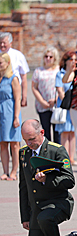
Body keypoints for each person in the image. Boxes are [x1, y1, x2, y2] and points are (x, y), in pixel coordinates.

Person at [19, 119, 77, 236]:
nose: (29, 144)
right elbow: (23, 187)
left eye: (32, 139)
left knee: (46, 218)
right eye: (25, 140)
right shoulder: (24, 153)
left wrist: (47, 179)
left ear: (42, 133)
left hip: (58, 203)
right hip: (37, 208)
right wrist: (25, 216)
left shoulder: (56, 150)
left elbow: (69, 180)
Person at [32, 47, 60, 143]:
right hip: (43, 105)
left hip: (56, 104)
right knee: (45, 131)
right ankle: (47, 153)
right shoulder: (38, 71)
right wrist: (42, 102)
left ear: (55, 58)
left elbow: (63, 86)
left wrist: (56, 99)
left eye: (50, 57)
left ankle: (58, 154)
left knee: (57, 132)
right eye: (46, 56)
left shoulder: (58, 70)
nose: (48, 58)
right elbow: (34, 87)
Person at [0, 52, 21, 181]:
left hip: (10, 112)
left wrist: (16, 116)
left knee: (14, 143)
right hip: (0, 113)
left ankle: (14, 170)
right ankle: (5, 171)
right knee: (2, 143)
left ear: (7, 63)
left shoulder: (13, 78)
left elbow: (17, 98)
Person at [55, 51, 76, 165]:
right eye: (71, 59)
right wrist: (66, 102)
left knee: (72, 132)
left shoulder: (76, 73)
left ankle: (72, 157)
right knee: (64, 132)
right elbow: (60, 89)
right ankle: (65, 157)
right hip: (64, 105)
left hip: (74, 106)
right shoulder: (60, 73)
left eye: (75, 59)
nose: (73, 61)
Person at [0, 32, 29, 107]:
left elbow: (24, 76)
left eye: (4, 43)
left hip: (14, 89)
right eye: (0, 42)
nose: (2, 45)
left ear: (10, 43)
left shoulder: (18, 55)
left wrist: (24, 97)